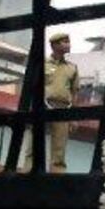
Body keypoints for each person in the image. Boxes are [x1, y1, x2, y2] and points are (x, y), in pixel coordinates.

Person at [25, 32, 80, 173]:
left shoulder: (72, 67)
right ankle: (28, 172)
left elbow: (75, 92)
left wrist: (73, 117)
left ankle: (57, 176)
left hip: (63, 109)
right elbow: (31, 87)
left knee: (59, 148)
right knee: (34, 143)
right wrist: (30, 110)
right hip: (41, 107)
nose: (68, 44)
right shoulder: (42, 64)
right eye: (64, 42)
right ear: (54, 45)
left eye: (68, 41)